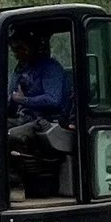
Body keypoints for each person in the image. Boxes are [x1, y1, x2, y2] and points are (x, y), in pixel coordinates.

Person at [4, 28, 75, 178]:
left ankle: (16, 184)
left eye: (21, 49)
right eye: (14, 50)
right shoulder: (20, 71)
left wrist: (25, 100)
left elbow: (53, 100)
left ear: (33, 46)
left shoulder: (50, 68)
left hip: (45, 121)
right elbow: (13, 99)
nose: (17, 54)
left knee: (10, 136)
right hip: (22, 118)